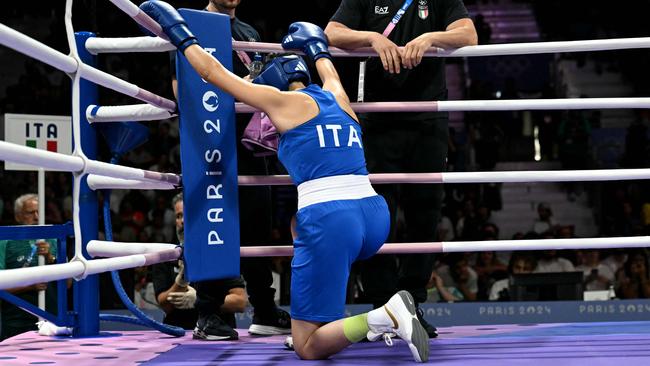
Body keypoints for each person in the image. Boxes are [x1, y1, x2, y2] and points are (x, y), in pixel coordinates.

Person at [139, 1, 429, 361]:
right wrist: (316, 49)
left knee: (308, 348)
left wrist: (179, 33)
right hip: (374, 216)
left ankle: (382, 316)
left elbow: (213, 73)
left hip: (333, 219)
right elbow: (327, 66)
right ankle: (328, 316)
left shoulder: (279, 101)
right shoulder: (338, 96)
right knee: (295, 225)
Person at [324, 0, 478, 338]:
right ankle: (383, 307)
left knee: (426, 214)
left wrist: (431, 38)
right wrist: (372, 38)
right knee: (378, 217)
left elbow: (469, 35)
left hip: (427, 120)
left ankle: (412, 304)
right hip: (378, 120)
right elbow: (332, 33)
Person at [170, 0, 291, 337]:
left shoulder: (249, 33)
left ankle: (264, 310)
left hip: (253, 144)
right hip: (212, 145)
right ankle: (209, 313)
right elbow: (181, 89)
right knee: (214, 224)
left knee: (257, 229)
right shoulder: (192, 25)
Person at [151, 193, 247, 338]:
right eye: (178, 216)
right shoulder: (166, 254)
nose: (182, 221)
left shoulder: (219, 250)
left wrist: (200, 301)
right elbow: (164, 304)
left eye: (187, 215)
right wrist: (180, 281)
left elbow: (240, 302)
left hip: (218, 336)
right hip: (178, 336)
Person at [0, 194, 58, 340]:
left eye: (40, 212)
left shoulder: (53, 239)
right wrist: (30, 286)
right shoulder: (5, 242)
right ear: (18, 216)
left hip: (50, 320)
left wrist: (50, 258)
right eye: (31, 212)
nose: (37, 217)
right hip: (16, 322)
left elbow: (68, 283)